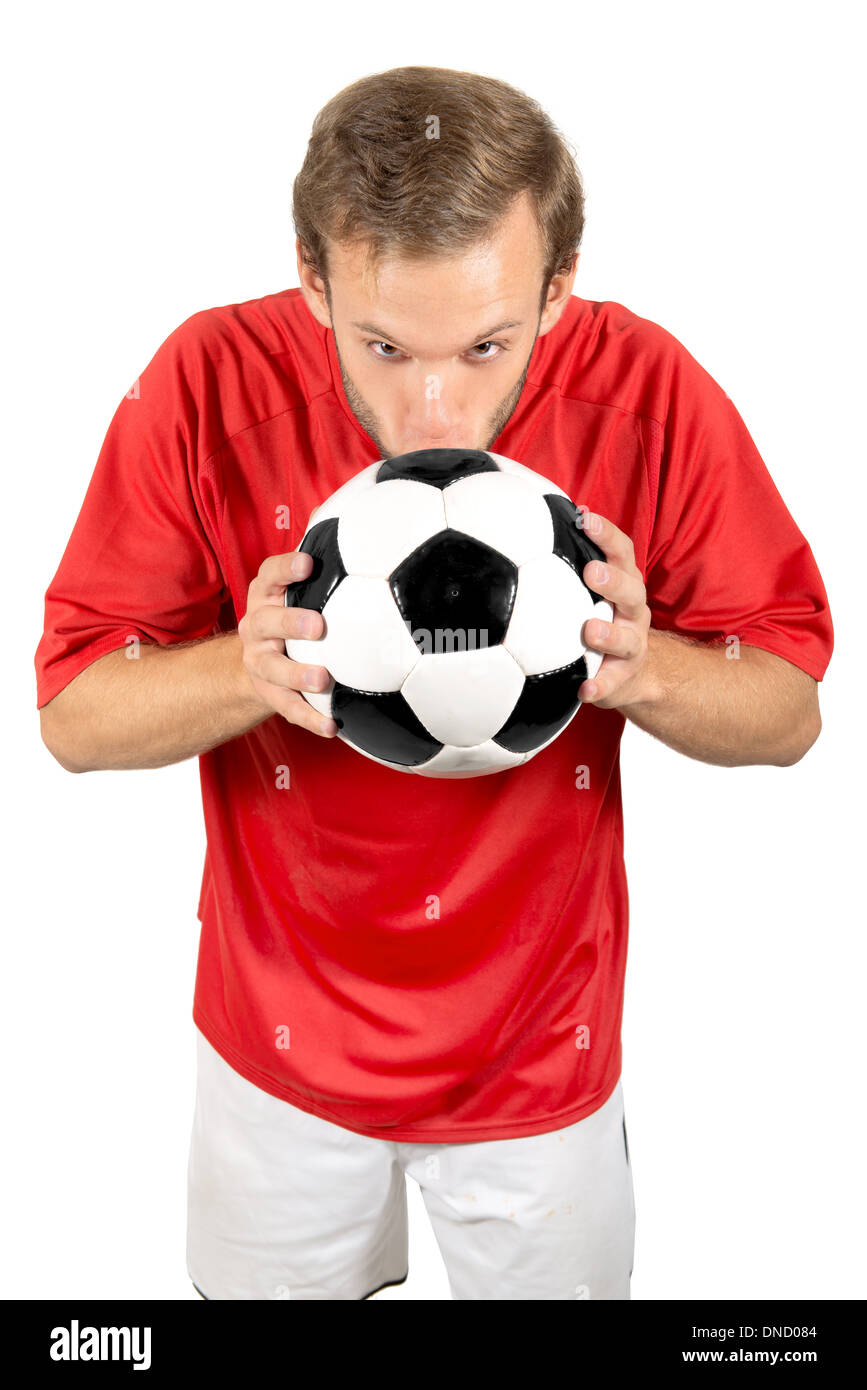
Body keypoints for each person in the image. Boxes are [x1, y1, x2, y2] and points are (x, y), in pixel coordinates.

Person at [35, 65, 833, 1301]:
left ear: (558, 288)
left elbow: (788, 705)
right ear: (314, 276)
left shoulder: (649, 392)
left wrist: (646, 669)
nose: (432, 406)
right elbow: (75, 714)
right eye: (383, 344)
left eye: (487, 344)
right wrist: (242, 670)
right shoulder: (205, 381)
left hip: (541, 1056)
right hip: (276, 1052)